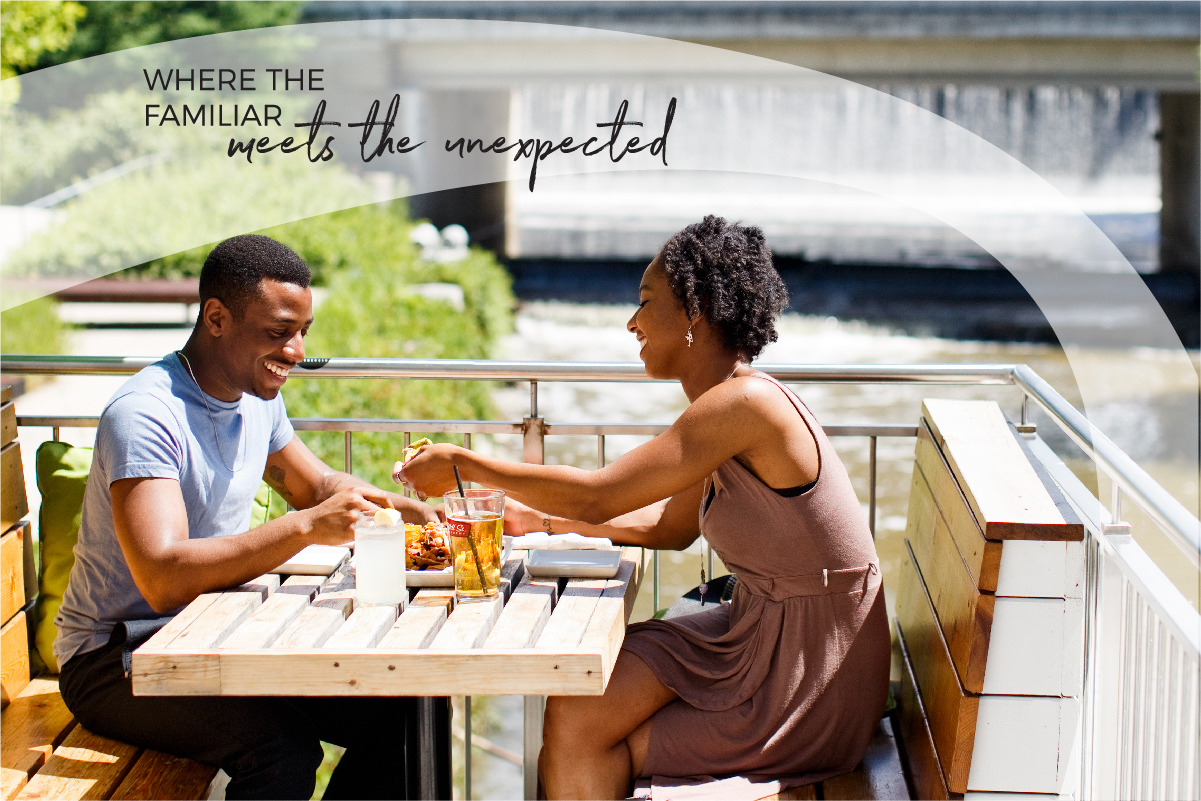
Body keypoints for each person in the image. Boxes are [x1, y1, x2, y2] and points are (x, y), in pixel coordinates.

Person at [399, 215, 891, 800]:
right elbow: (670, 528)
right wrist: (539, 522)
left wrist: (468, 464)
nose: (632, 322)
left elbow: (599, 493)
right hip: (755, 632)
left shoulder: (747, 405)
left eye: (645, 300)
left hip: (811, 672)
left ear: (694, 313)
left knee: (592, 739)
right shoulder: (725, 405)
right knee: (580, 705)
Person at [54, 234, 436, 800]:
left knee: (403, 714)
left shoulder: (255, 395)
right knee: (280, 749)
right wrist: (308, 527)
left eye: (304, 331)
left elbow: (315, 485)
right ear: (216, 317)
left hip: (209, 635)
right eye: (279, 332)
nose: (297, 350)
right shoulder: (146, 415)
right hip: (117, 659)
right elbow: (163, 578)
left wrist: (410, 511)